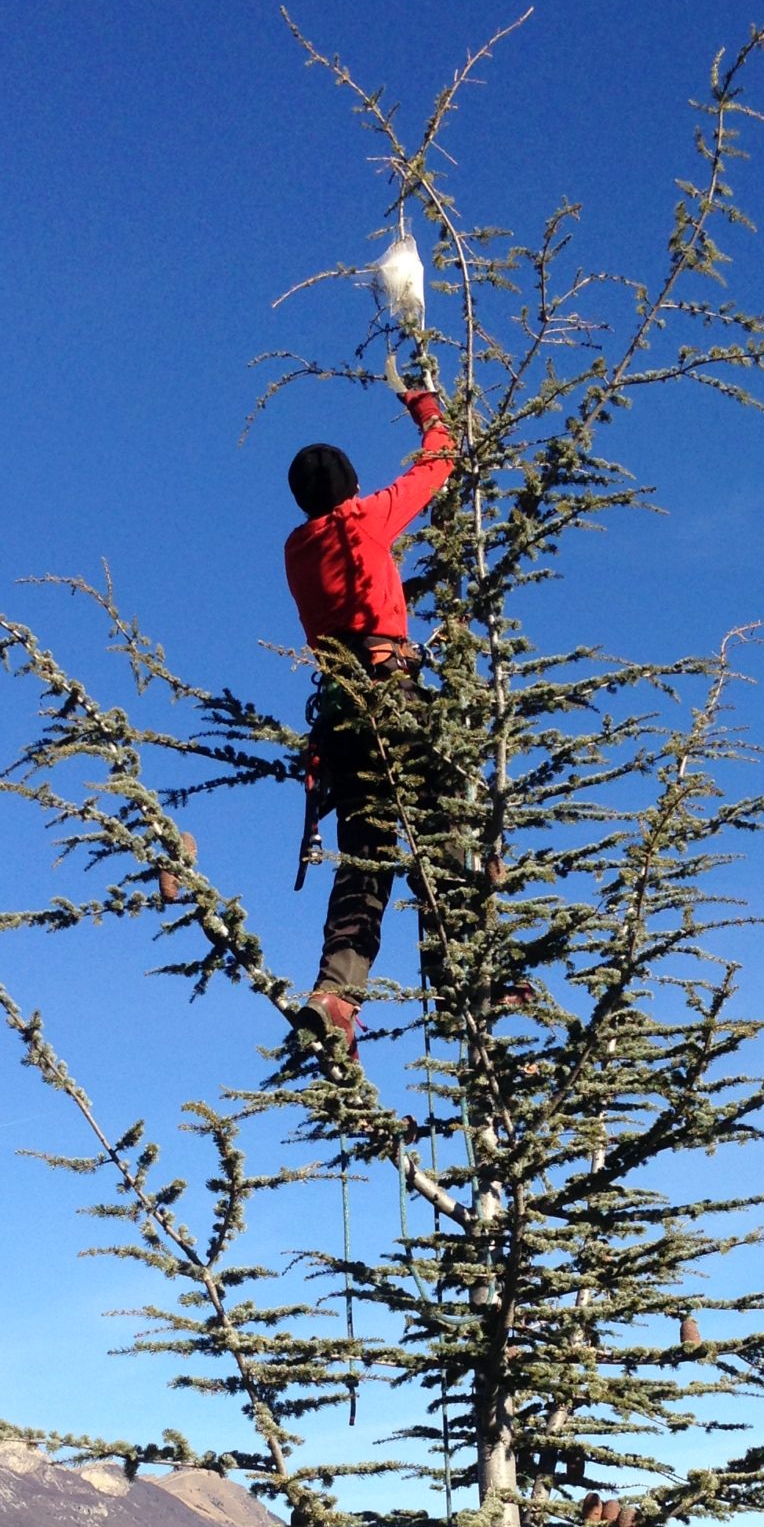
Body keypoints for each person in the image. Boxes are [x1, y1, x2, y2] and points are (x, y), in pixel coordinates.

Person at [284, 369, 454, 1056]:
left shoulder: (296, 550)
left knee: (366, 854)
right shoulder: (365, 518)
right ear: (352, 490)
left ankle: (335, 996)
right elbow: (441, 460)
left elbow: (358, 596)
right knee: (440, 825)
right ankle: (462, 977)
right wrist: (423, 401)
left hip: (341, 716)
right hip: (392, 696)